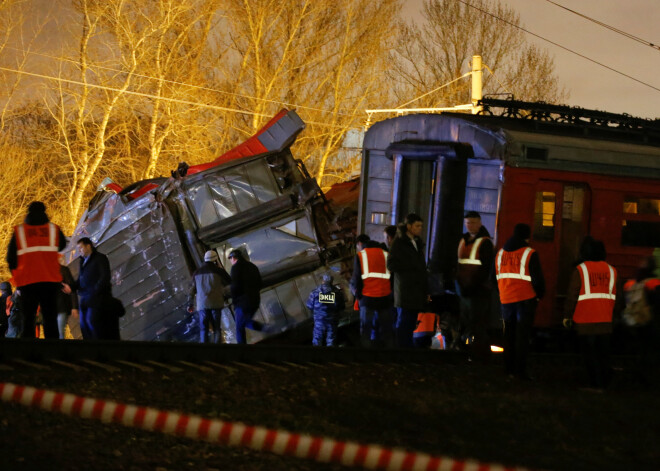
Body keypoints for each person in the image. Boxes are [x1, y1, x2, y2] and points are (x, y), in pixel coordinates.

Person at [563, 238, 621, 390]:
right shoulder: (612, 270)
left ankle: (595, 384)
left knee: (590, 355)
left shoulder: (581, 270)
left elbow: (572, 295)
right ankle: (604, 382)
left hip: (585, 321)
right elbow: (618, 296)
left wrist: (567, 317)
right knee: (603, 355)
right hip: (606, 321)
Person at [6, 201, 67, 339]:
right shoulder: (54, 230)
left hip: (27, 282)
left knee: (28, 318)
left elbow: (10, 259)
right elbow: (62, 245)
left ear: (28, 212)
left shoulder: (20, 232)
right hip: (50, 281)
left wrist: (17, 277)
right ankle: (52, 349)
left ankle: (28, 349)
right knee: (50, 318)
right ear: (45, 212)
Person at [495, 223, 545, 380]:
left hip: (506, 299)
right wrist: (538, 296)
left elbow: (493, 277)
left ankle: (507, 369)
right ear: (527, 237)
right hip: (525, 300)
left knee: (508, 335)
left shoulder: (500, 254)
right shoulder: (529, 253)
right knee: (522, 337)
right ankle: (520, 372)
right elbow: (538, 279)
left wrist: (503, 293)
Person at [455, 211, 494, 357]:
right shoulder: (463, 240)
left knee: (476, 323)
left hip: (477, 291)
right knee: (467, 322)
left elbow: (485, 269)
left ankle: (477, 352)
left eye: (472, 223)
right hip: (465, 289)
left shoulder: (485, 243)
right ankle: (469, 349)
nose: (469, 226)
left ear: (479, 223)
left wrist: (470, 286)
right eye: (467, 223)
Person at [387, 213, 429, 348]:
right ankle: (402, 350)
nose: (420, 228)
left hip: (415, 290)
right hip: (405, 290)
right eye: (417, 226)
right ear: (409, 226)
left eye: (421, 226)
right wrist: (412, 267)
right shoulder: (399, 242)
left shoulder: (416, 242)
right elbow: (391, 264)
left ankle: (406, 350)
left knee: (410, 323)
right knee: (404, 322)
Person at [63, 238, 117, 340]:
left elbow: (104, 277)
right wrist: (71, 287)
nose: (79, 251)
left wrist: (95, 292)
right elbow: (80, 280)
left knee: (94, 325)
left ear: (88, 246)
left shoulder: (100, 258)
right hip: (85, 298)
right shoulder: (82, 261)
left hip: (96, 299)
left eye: (81, 248)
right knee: (85, 327)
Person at [350, 234, 395, 348]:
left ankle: (366, 359)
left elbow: (356, 278)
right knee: (387, 330)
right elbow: (392, 277)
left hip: (367, 298)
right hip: (385, 298)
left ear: (360, 244)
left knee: (366, 331)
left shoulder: (360, 255)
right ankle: (390, 357)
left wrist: (358, 295)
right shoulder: (386, 254)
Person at [622, 256, 660, 385]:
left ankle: (635, 375)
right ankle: (645, 377)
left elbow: (625, 301)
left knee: (637, 349)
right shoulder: (654, 283)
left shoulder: (631, 283)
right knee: (648, 350)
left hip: (632, 320)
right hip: (649, 321)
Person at [188, 250, 231, 344]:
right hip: (216, 303)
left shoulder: (197, 272)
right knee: (216, 328)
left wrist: (190, 304)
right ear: (215, 260)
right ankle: (217, 350)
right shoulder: (219, 271)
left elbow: (191, 290)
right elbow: (230, 284)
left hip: (202, 304)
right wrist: (224, 294)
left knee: (204, 329)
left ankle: (205, 350)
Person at [228, 248, 263, 344]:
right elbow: (260, 283)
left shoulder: (235, 268)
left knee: (239, 326)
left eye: (230, 258)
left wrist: (234, 300)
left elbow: (234, 286)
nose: (230, 261)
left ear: (233, 258)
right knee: (244, 322)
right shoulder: (252, 266)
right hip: (255, 300)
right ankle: (267, 328)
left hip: (242, 301)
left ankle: (242, 350)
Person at [306, 273, 346, 346]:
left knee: (317, 341)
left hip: (319, 321)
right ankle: (330, 356)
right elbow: (342, 306)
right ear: (331, 282)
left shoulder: (315, 292)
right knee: (331, 341)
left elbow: (309, 306)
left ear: (323, 281)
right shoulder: (337, 293)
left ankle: (317, 356)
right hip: (332, 321)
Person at [56, 255, 79, 339]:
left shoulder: (64, 270)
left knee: (60, 332)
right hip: (52, 307)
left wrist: (74, 307)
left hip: (61, 307)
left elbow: (71, 289)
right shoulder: (47, 271)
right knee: (58, 332)